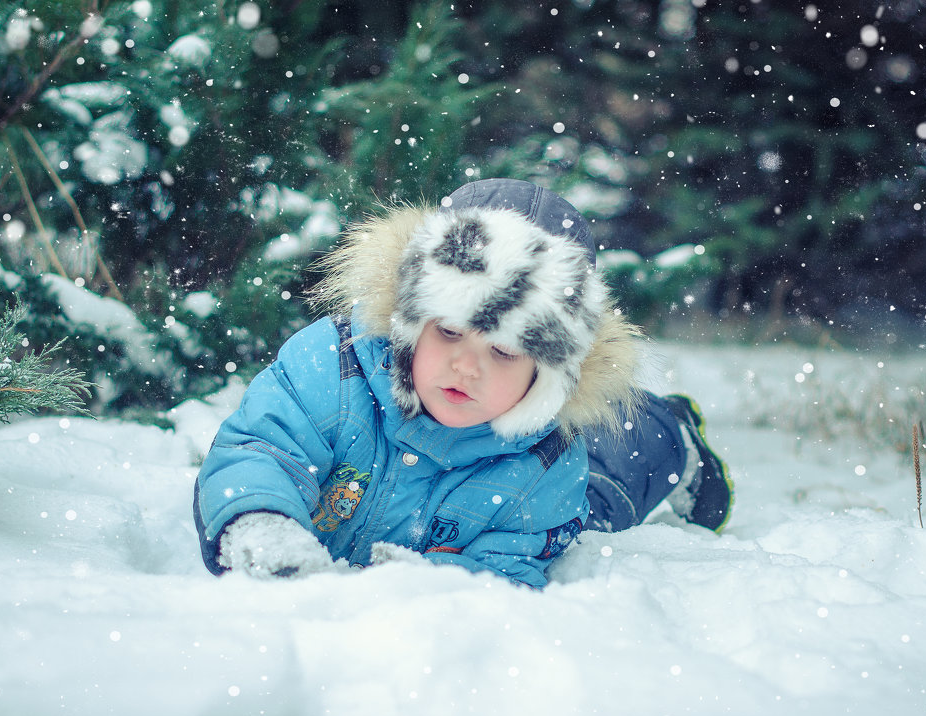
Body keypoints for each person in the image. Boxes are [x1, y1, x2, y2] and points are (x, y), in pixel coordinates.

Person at [192, 179, 733, 588]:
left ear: (546, 373)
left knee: (603, 496)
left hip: (523, 454)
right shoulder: (334, 368)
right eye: (449, 330)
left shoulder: (547, 466)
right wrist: (260, 521)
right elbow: (261, 450)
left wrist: (433, 587)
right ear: (408, 320)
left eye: (502, 350)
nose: (466, 366)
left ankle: (670, 433)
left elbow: (509, 565)